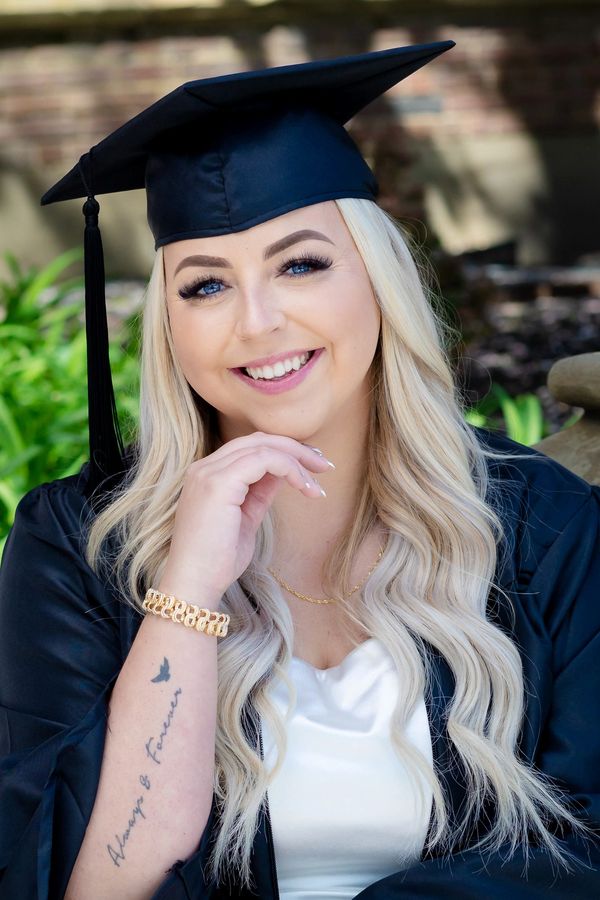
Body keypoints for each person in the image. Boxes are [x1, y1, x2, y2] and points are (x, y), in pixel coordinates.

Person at [0, 41, 599, 900]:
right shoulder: (77, 548)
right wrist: (189, 590)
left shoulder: (536, 522)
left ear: (376, 278)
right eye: (204, 286)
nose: (258, 321)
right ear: (167, 326)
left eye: (302, 264)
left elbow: (586, 844)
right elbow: (93, 883)